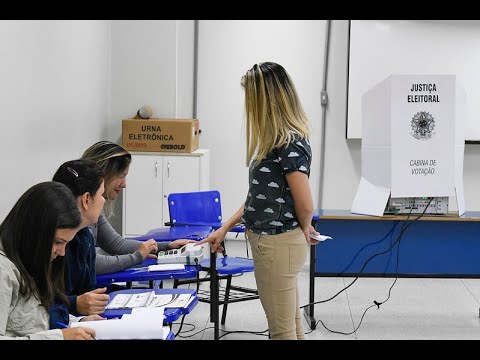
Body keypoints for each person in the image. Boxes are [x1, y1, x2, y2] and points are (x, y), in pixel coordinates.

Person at [201, 62, 320, 340]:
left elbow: (305, 204)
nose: (248, 107)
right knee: (291, 327)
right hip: (274, 242)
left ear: (266, 101)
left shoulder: (287, 143)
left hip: (277, 243)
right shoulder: (276, 142)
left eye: (251, 99)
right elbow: (257, 199)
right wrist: (225, 227)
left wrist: (304, 226)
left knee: (281, 332)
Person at [0, 181, 99, 340]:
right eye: (58, 242)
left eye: (66, 243)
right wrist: (60, 337)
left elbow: (39, 321)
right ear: (34, 232)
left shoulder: (31, 259)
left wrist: (78, 324)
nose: (62, 252)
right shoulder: (3, 270)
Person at [81, 141, 194, 274]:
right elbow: (90, 263)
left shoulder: (93, 206)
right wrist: (137, 257)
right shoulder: (79, 211)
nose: (124, 185)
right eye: (121, 176)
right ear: (105, 173)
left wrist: (165, 247)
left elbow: (116, 244)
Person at [49, 159, 110, 328]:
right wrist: (75, 304)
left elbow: (87, 290)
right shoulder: (49, 243)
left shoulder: (86, 237)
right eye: (101, 195)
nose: (104, 201)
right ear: (86, 199)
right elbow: (39, 305)